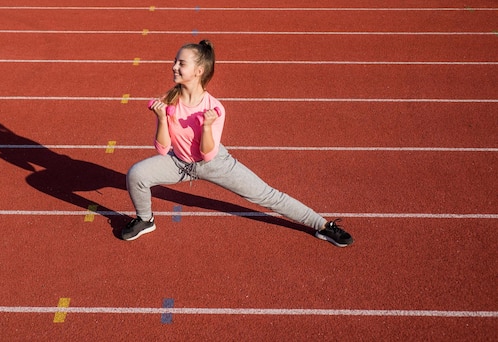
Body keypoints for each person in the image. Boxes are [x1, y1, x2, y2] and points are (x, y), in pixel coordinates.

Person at [123, 40, 354, 247]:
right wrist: (162, 118)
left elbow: (208, 155)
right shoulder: (169, 100)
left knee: (268, 196)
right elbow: (162, 149)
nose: (174, 67)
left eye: (181, 63)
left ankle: (323, 226)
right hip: (179, 163)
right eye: (175, 61)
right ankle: (145, 220)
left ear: (199, 71)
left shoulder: (215, 108)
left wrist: (206, 126)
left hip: (215, 163)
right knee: (137, 174)